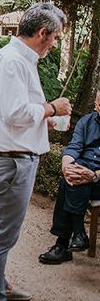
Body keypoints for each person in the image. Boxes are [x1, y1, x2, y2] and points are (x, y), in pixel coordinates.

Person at [0, 2, 71, 301]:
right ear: (42, 32)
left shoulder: (21, 60)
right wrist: (53, 107)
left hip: (13, 158)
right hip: (10, 163)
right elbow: (16, 114)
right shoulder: (12, 62)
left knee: (1, 231)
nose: (55, 45)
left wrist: (49, 119)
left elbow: (19, 115)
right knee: (1, 234)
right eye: (55, 37)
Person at [38, 90, 100, 265]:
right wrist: (66, 167)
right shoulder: (86, 122)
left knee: (71, 182)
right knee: (71, 177)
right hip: (84, 174)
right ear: (96, 105)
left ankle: (64, 243)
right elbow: (73, 148)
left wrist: (95, 175)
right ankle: (77, 235)